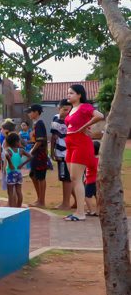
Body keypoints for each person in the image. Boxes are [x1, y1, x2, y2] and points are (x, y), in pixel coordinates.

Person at [64, 84, 104, 221]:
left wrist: (84, 127)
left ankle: (80, 213)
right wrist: (81, 126)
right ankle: (79, 211)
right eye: (68, 93)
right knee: (73, 179)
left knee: (77, 178)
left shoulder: (85, 106)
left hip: (81, 144)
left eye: (71, 93)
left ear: (79, 95)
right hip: (70, 144)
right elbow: (71, 124)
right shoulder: (72, 109)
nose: (68, 95)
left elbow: (99, 115)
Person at [50, 99, 75, 210]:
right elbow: (54, 136)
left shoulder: (72, 120)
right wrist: (52, 152)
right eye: (64, 110)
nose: (66, 112)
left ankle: (65, 203)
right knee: (66, 178)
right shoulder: (55, 118)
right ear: (59, 108)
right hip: (60, 152)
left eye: (69, 110)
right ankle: (77, 201)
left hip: (68, 153)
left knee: (67, 179)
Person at [25, 104, 49, 207]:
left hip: (39, 154)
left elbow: (40, 140)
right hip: (36, 153)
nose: (29, 114)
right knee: (33, 175)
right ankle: (39, 199)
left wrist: (31, 151)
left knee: (40, 176)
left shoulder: (39, 123)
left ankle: (41, 201)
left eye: (30, 112)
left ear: (36, 112)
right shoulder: (36, 124)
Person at [4, 132, 32, 208]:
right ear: (16, 142)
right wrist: (22, 165)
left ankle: (12, 208)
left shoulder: (9, 150)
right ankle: (18, 207)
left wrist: (10, 163)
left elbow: (6, 154)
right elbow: (30, 156)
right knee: (18, 191)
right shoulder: (21, 151)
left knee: (10, 192)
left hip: (10, 173)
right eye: (19, 141)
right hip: (19, 173)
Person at [85, 140, 101, 216]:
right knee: (97, 196)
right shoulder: (99, 160)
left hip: (91, 181)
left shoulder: (91, 159)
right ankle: (98, 211)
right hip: (97, 180)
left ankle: (91, 210)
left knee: (86, 196)